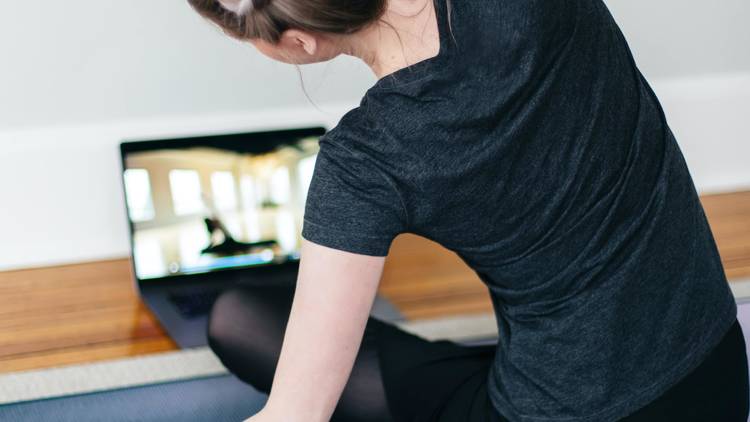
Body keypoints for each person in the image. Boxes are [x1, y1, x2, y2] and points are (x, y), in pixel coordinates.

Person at [186, 0, 750, 421]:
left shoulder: (363, 164)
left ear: (296, 43)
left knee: (236, 317)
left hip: (563, 411)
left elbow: (295, 415)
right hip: (718, 373)